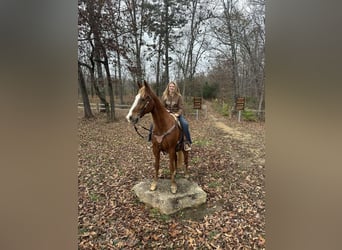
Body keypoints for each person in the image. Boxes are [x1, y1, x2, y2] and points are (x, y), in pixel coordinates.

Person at [148, 81, 192, 151]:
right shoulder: (164, 95)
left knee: (185, 124)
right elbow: (161, 106)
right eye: (170, 86)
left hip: (176, 114)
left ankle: (187, 142)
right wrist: (166, 110)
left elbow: (181, 107)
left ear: (175, 88)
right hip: (166, 115)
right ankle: (151, 141)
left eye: (173, 86)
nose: (172, 88)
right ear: (168, 87)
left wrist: (177, 114)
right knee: (152, 124)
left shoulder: (179, 96)